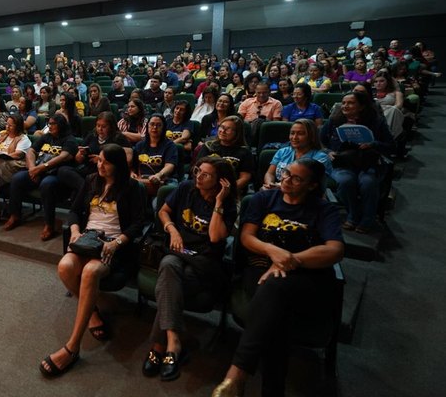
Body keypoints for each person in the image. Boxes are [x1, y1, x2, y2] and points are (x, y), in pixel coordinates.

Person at [212, 159, 344, 397]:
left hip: (306, 279)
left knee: (274, 290)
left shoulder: (324, 210)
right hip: (259, 271)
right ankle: (271, 391)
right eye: (286, 173)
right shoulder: (264, 200)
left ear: (312, 186)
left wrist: (289, 259)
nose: (286, 179)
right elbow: (247, 238)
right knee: (276, 314)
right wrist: (272, 251)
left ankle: (237, 374)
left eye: (296, 178)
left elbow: (334, 250)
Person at [39, 144, 145, 378]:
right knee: (65, 266)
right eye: (99, 161)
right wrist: (75, 232)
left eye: (106, 162)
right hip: (87, 239)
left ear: (118, 165)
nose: (100, 165)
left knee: (89, 272)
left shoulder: (132, 187)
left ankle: (72, 346)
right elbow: (75, 211)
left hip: (113, 244)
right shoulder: (90, 181)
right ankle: (93, 313)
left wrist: (117, 243)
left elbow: (138, 223)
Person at [143, 157, 237, 381]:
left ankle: (158, 345)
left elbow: (215, 237)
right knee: (168, 266)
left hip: (204, 263)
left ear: (220, 182)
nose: (198, 176)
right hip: (177, 252)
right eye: (197, 171)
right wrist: (172, 229)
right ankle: (173, 344)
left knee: (168, 282)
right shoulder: (186, 188)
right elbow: (163, 211)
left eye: (206, 175)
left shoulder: (228, 204)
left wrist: (218, 203)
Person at [320, 91, 394, 233]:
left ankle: (367, 220)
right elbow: (321, 142)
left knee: (368, 183)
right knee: (346, 181)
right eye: (344, 102)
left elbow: (391, 146)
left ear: (361, 106)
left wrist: (373, 144)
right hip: (342, 162)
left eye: (350, 103)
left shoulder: (377, 122)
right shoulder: (334, 120)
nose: (345, 106)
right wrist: (328, 152)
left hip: (369, 163)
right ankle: (353, 215)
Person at [5, 114, 78, 240]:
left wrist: (41, 168)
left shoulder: (69, 139)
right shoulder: (46, 137)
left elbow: (64, 156)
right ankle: (15, 215)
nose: (49, 126)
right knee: (17, 178)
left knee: (46, 184)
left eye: (53, 124)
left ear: (60, 125)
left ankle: (49, 225)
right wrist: (32, 168)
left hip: (55, 174)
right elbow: (31, 151)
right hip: (37, 171)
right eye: (49, 124)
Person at [58, 111, 130, 203]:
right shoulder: (91, 135)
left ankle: (82, 191)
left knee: (90, 179)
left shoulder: (119, 139)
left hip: (104, 172)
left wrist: (100, 160)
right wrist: (81, 154)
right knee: (63, 170)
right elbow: (77, 160)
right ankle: (85, 188)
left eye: (104, 127)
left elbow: (124, 160)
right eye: (98, 126)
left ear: (111, 127)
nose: (100, 129)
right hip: (87, 168)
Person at [262, 119, 332, 189]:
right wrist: (270, 184)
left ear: (311, 136)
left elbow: (309, 184)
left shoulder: (321, 158)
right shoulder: (282, 152)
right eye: (292, 133)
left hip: (304, 195)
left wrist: (279, 187)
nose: (294, 137)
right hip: (278, 190)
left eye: (300, 134)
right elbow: (270, 173)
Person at [195, 116, 254, 195]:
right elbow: (197, 169)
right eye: (221, 127)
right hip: (206, 189)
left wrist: (228, 190)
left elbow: (245, 177)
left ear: (237, 133)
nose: (223, 131)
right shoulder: (208, 146)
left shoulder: (244, 152)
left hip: (231, 191)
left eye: (228, 129)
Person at [131, 114, 178, 196]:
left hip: (164, 180)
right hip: (143, 180)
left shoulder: (170, 146)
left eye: (158, 125)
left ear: (163, 128)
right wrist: (132, 173)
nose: (155, 127)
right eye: (152, 124)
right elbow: (133, 165)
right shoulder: (139, 145)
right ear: (147, 126)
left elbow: (170, 166)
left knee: (156, 203)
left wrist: (159, 175)